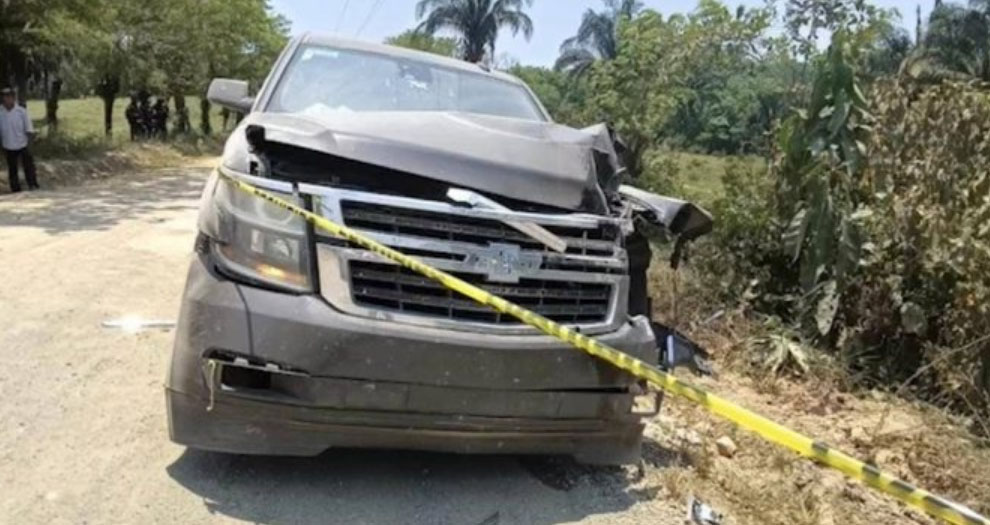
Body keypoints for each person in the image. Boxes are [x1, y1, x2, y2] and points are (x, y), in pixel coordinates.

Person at [0, 87, 38, 193]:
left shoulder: (21, 112)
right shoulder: (1, 112)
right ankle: (15, 189)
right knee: (12, 168)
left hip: (22, 143)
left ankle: (32, 184)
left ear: (13, 98)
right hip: (8, 145)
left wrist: (30, 144)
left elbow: (29, 129)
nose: (7, 99)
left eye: (9, 96)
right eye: (4, 97)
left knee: (28, 166)